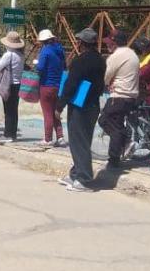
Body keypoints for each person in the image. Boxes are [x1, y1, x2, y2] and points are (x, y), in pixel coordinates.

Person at [57, 28, 106, 192]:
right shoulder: (100, 60)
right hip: (93, 105)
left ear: (81, 43)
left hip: (79, 106)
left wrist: (59, 106)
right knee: (83, 140)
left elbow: (70, 85)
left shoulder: (80, 61)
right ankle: (75, 173)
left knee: (79, 142)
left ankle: (84, 179)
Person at [98, 30, 140, 169]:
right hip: (131, 96)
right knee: (118, 125)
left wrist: (104, 85)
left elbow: (104, 77)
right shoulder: (132, 54)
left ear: (115, 43)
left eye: (109, 43)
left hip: (119, 96)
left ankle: (116, 156)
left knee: (106, 122)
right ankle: (125, 143)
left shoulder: (116, 56)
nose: (108, 46)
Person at [36, 29, 66, 147]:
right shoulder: (60, 50)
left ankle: (47, 139)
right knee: (55, 112)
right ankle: (60, 137)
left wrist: (36, 64)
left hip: (46, 85)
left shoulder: (45, 51)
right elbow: (64, 66)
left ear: (43, 41)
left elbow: (40, 67)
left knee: (48, 113)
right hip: (58, 85)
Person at [0, 31, 25, 142]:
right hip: (18, 84)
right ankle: (13, 134)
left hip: (9, 84)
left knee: (7, 110)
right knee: (14, 110)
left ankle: (7, 134)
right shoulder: (20, 55)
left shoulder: (8, 55)